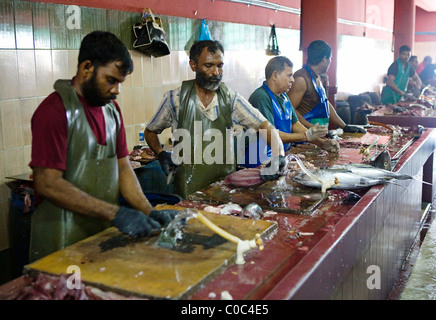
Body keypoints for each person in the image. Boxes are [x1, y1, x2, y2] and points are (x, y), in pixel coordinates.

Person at [29, 31, 176, 262]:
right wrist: (116, 213)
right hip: (59, 241)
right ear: (87, 67)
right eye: (111, 80)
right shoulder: (54, 111)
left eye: (120, 83)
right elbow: (48, 183)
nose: (116, 90)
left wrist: (149, 211)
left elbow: (123, 168)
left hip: (98, 236)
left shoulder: (112, 111)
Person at [144, 40, 285, 199]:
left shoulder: (230, 98)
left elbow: (265, 125)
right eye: (208, 65)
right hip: (186, 190)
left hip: (224, 189)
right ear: (193, 65)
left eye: (220, 66)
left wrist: (278, 154)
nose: (216, 72)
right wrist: (161, 152)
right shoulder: (175, 99)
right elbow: (150, 131)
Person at [246, 56, 339, 163]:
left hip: (279, 156)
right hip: (260, 160)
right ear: (275, 75)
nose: (293, 80)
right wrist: (305, 136)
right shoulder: (261, 97)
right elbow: (271, 135)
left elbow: (296, 125)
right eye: (289, 75)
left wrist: (321, 143)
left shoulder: (284, 97)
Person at [287, 40, 365, 134]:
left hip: (317, 136)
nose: (330, 61)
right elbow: (290, 110)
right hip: (304, 137)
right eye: (330, 58)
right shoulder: (301, 79)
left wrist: (344, 126)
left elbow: (325, 103)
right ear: (324, 59)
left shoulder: (316, 76)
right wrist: (311, 128)